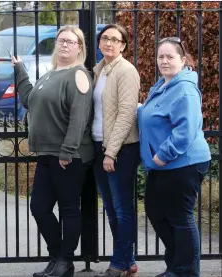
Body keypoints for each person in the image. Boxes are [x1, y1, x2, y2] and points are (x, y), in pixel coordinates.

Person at [11, 26, 94, 277]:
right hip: (46, 154)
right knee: (39, 207)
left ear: (80, 47)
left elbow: (79, 119)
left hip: (69, 156)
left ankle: (65, 261)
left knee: (69, 208)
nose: (64, 45)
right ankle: (57, 257)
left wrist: (68, 151)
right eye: (61, 40)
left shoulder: (78, 74)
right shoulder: (50, 74)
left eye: (71, 41)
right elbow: (28, 99)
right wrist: (19, 70)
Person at [138, 37, 211, 277]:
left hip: (183, 162)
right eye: (161, 56)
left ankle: (185, 270)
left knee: (180, 216)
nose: (165, 61)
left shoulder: (185, 89)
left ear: (183, 60)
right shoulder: (162, 86)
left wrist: (162, 155)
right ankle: (177, 265)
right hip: (163, 166)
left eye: (170, 56)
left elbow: (186, 130)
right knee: (157, 213)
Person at [91, 24, 141, 277]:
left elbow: (126, 114)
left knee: (122, 209)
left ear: (123, 45)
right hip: (100, 148)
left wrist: (111, 152)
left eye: (115, 39)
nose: (109, 43)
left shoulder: (126, 71)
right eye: (105, 38)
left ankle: (120, 262)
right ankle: (128, 260)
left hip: (122, 150)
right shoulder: (99, 71)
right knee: (111, 208)